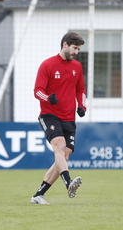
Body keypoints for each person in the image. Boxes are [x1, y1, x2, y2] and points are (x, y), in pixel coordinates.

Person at [31, 32, 86, 204]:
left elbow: (80, 90)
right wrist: (48, 98)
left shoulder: (77, 67)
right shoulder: (47, 65)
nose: (76, 52)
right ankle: (69, 183)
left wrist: (82, 106)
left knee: (64, 155)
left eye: (78, 49)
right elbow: (37, 91)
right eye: (75, 48)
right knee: (60, 147)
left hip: (69, 117)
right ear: (65, 45)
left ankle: (38, 195)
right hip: (49, 115)